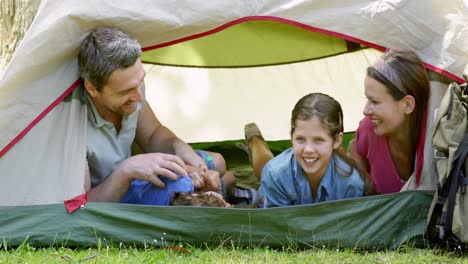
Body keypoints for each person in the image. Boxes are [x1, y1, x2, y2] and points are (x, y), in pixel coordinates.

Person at [79, 26, 234, 202]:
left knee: (216, 163)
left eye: (141, 82)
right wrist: (127, 170)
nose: (139, 97)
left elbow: (153, 134)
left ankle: (215, 190)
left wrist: (181, 149)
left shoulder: (132, 88)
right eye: (126, 92)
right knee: (211, 183)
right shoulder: (72, 128)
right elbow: (83, 206)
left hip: (137, 174)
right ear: (92, 89)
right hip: (112, 192)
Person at [245, 93, 366, 208]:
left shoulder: (351, 184)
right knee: (265, 170)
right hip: (275, 180)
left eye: (318, 140)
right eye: (300, 139)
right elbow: (277, 225)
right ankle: (255, 141)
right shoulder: (275, 174)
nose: (308, 149)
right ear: (291, 136)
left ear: (337, 141)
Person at [349, 49, 430, 194]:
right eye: (367, 99)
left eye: (374, 101)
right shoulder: (368, 129)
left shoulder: (436, 140)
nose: (365, 110)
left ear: (407, 105)